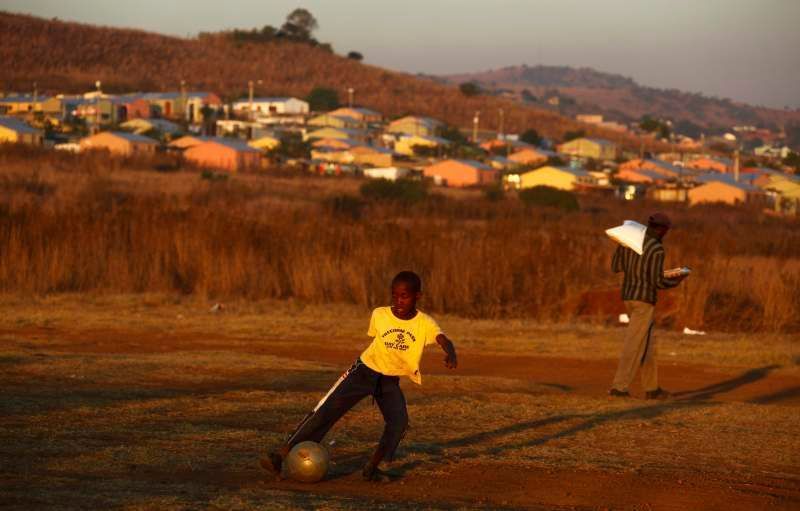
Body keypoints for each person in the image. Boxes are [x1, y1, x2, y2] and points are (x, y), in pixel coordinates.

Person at [261, 270, 458, 481]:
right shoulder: (380, 315)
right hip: (363, 372)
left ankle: (373, 468)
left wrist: (451, 352)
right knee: (327, 409)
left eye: (405, 296)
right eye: (394, 295)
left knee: (399, 422)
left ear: (418, 296)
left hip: (389, 381)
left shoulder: (424, 322)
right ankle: (281, 455)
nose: (398, 301)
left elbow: (442, 338)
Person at [609, 213, 687, 400]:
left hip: (629, 297)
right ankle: (618, 388)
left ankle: (652, 389)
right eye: (666, 230)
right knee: (634, 344)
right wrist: (676, 280)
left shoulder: (629, 242)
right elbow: (657, 281)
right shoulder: (657, 249)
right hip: (644, 301)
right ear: (662, 230)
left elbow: (615, 266)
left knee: (648, 345)